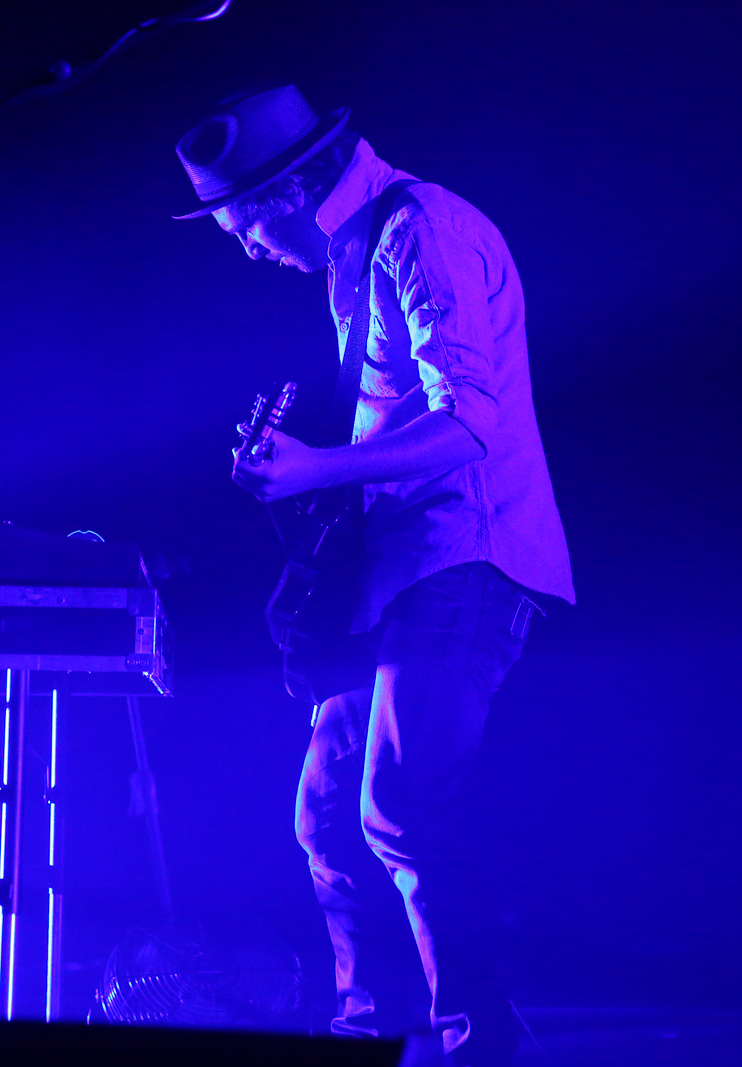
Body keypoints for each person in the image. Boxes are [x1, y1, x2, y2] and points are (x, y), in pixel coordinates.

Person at [173, 85, 574, 1066]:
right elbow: (393, 434)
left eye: (243, 230)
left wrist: (314, 466)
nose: (249, 253)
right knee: (326, 815)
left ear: (283, 193)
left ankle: (477, 1043)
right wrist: (304, 480)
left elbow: (469, 421)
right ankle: (368, 1030)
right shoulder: (356, 253)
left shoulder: (420, 229)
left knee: (402, 806)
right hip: (399, 575)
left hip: (465, 559)